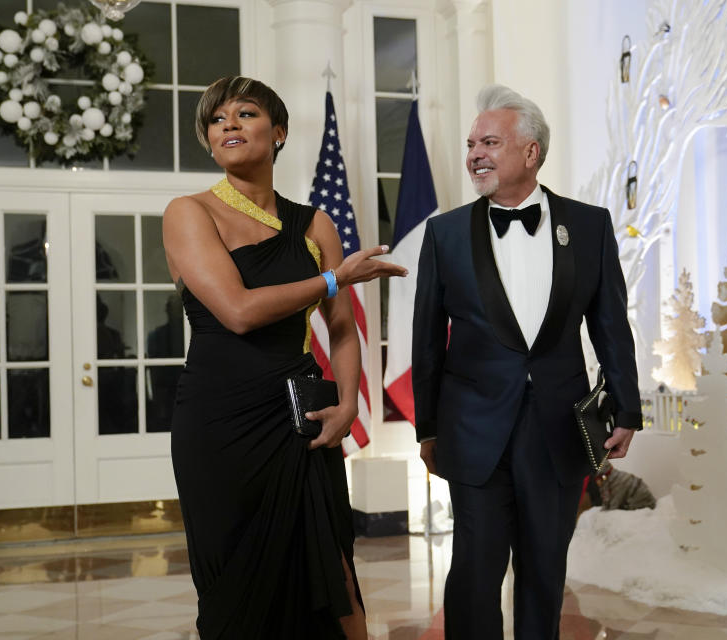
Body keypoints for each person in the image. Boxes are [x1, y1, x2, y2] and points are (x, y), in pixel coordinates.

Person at [163, 76, 406, 639]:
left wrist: (348, 404)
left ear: (279, 133)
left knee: (334, 574)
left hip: (301, 422)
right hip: (218, 427)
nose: (229, 124)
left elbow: (343, 331)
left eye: (245, 113)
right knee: (236, 589)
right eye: (217, 119)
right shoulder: (189, 212)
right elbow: (238, 311)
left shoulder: (315, 224)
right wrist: (332, 278)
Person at [412, 84, 642, 640]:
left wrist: (626, 409)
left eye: (489, 141)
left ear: (531, 152)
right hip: (472, 432)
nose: (475, 155)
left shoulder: (589, 226)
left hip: (557, 431)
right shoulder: (444, 234)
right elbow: (425, 339)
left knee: (545, 571)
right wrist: (428, 427)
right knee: (473, 572)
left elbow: (609, 324)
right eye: (471, 144)